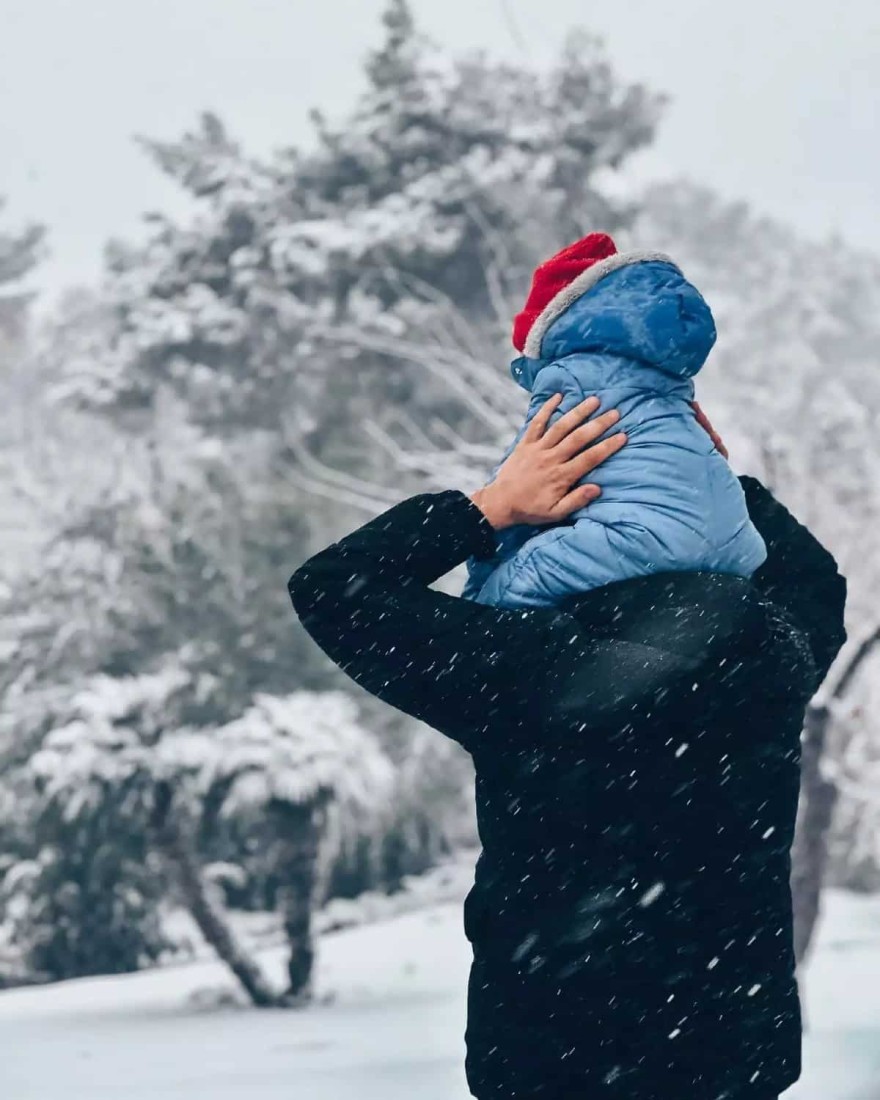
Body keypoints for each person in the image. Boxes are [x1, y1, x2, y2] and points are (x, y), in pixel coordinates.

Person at [288, 393, 847, 1100]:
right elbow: (816, 583)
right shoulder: (767, 651)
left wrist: (488, 507)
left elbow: (332, 589)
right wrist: (709, 478)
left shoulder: (530, 666)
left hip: (556, 1055)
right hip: (731, 1052)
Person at [464, 232, 767, 608]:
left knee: (513, 585)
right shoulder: (669, 379)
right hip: (737, 544)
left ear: (545, 331)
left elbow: (518, 484)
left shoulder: (568, 380)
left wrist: (479, 581)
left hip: (642, 538)